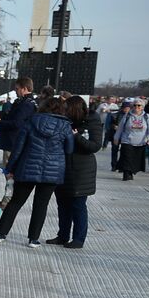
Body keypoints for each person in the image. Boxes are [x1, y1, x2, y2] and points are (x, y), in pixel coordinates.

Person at [0, 96, 72, 246]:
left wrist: (10, 168)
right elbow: (69, 149)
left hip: (28, 167)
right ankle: (33, 238)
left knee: (16, 201)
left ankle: (1, 233)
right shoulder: (65, 126)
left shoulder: (31, 121)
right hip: (52, 171)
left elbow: (18, 147)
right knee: (41, 205)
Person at [49, 95, 103, 249]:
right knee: (62, 204)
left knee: (78, 205)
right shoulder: (64, 121)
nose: (64, 111)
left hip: (82, 170)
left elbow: (95, 146)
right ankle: (62, 235)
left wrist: (76, 136)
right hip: (63, 167)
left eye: (67, 109)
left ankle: (79, 238)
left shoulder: (92, 120)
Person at [112, 98, 149, 181]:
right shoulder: (127, 115)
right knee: (127, 158)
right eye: (134, 105)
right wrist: (116, 138)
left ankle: (131, 172)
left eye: (139, 105)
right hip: (127, 141)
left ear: (142, 107)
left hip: (140, 142)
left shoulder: (146, 117)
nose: (136, 107)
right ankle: (126, 174)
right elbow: (120, 128)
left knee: (135, 159)